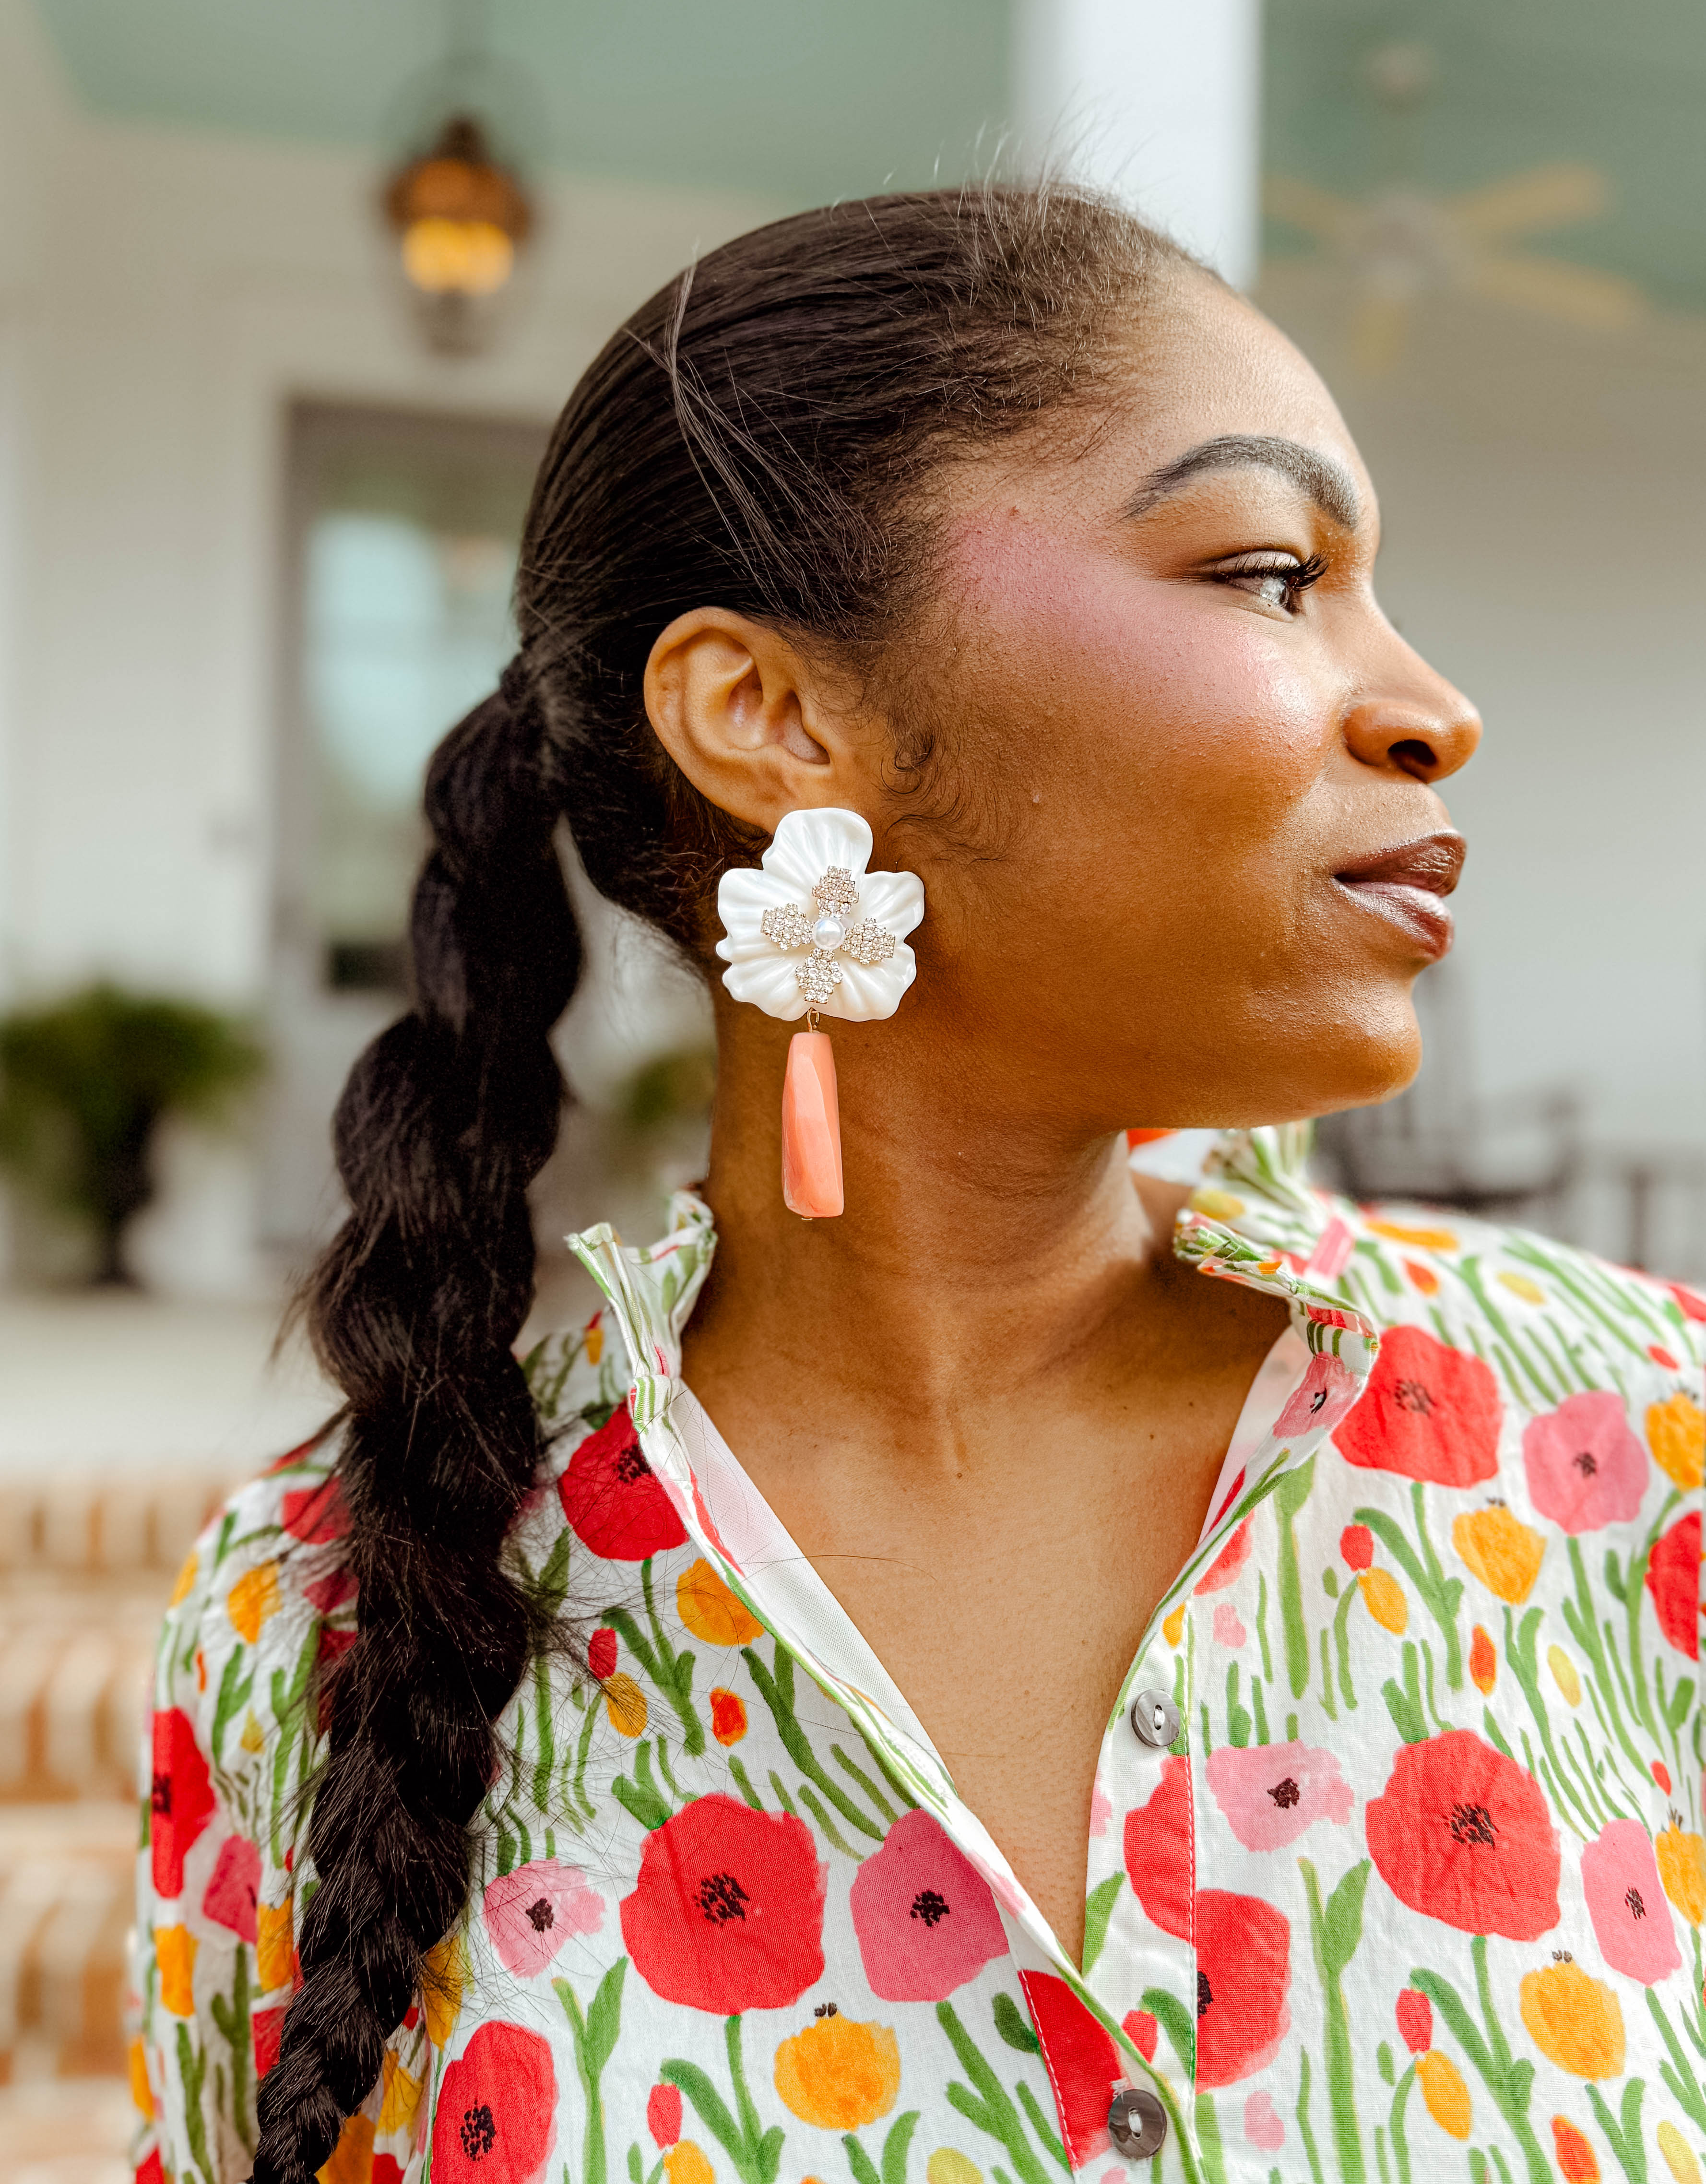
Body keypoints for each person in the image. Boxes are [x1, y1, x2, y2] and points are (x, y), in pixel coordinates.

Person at [131, 186, 1704, 2184]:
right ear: (776, 719)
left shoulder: (1637, 1448)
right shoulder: (314, 1628)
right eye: (1265, 572)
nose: (1430, 706)